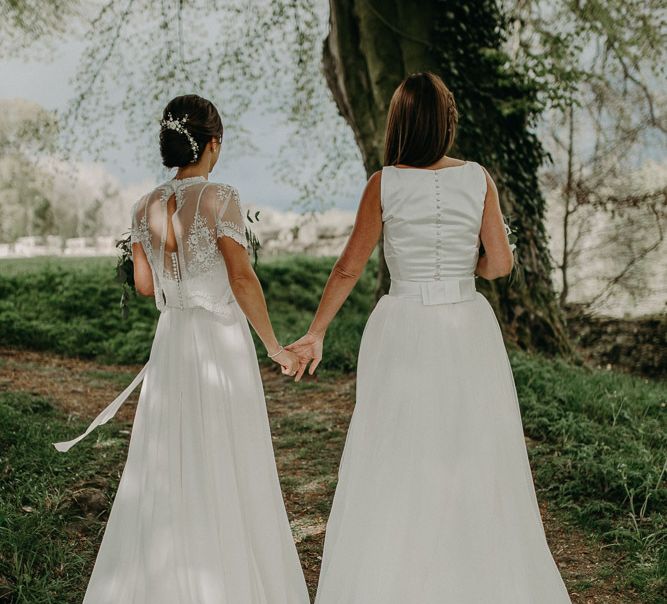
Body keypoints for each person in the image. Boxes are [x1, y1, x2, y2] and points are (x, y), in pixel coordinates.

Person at [288, 73, 572, 603]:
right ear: (447, 123)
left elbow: (349, 267)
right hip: (468, 325)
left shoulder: (383, 183)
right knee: (473, 447)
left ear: (398, 125)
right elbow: (501, 264)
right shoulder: (478, 178)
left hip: (404, 326)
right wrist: (468, 268)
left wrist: (316, 332)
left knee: (397, 449)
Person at [53, 94, 309, 604]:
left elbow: (147, 287)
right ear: (212, 143)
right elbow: (241, 276)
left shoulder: (142, 205)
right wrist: (275, 346)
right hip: (219, 340)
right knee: (228, 452)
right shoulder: (220, 198)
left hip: (172, 341)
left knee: (170, 453)